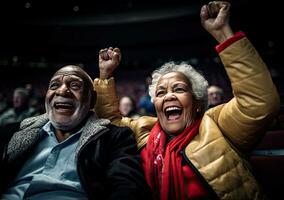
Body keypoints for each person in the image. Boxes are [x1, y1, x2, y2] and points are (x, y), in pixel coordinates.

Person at [94, 1, 280, 200]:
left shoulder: (218, 125)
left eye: (179, 89)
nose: (169, 96)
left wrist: (223, 34)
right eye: (161, 92)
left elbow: (259, 102)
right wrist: (105, 76)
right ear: (155, 104)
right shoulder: (143, 130)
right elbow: (109, 124)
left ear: (198, 101)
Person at [0, 65, 150, 200]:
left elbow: (127, 188)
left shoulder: (114, 137)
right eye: (54, 85)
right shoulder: (10, 133)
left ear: (91, 100)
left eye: (75, 85)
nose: (62, 91)